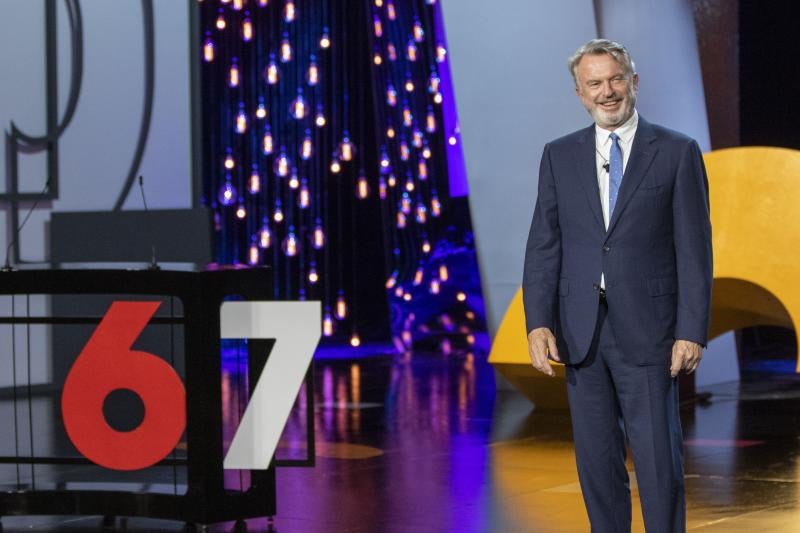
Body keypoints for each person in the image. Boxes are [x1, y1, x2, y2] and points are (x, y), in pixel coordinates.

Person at [522, 39, 712, 533]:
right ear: (580, 93)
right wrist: (538, 322)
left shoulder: (676, 151)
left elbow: (695, 250)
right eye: (594, 84)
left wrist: (691, 329)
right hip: (580, 333)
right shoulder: (559, 155)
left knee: (658, 463)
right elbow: (544, 244)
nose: (607, 92)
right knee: (597, 466)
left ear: (633, 81)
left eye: (615, 79)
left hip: (650, 332)